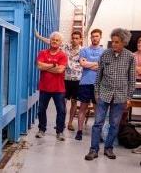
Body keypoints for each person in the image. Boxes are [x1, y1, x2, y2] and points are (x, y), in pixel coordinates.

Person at [85, 28, 135, 160]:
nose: (113, 44)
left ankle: (108, 148)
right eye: (112, 41)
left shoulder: (130, 56)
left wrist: (128, 97)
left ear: (124, 42)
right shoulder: (105, 54)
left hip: (120, 96)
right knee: (97, 123)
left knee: (114, 124)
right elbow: (98, 76)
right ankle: (93, 150)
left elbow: (132, 79)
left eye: (117, 42)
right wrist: (96, 92)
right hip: (104, 94)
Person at [35, 30, 83, 131]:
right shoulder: (65, 47)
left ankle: (69, 123)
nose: (74, 40)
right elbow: (51, 41)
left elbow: (60, 69)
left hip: (76, 78)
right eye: (73, 38)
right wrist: (39, 37)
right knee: (62, 106)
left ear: (80, 40)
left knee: (73, 102)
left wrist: (47, 67)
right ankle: (59, 126)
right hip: (65, 78)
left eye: (77, 38)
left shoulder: (83, 50)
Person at [35, 31, 68, 141]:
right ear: (50, 41)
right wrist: (54, 65)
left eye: (57, 40)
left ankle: (60, 132)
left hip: (59, 89)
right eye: (53, 39)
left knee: (61, 110)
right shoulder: (43, 52)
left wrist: (47, 66)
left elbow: (60, 70)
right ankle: (42, 129)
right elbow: (39, 66)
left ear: (60, 42)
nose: (54, 41)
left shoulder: (63, 55)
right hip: (44, 87)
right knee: (41, 110)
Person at [75, 29, 104, 141]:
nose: (94, 38)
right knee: (83, 108)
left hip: (99, 84)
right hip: (85, 83)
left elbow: (103, 67)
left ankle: (98, 133)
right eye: (92, 36)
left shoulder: (104, 52)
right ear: (90, 38)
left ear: (100, 37)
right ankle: (79, 131)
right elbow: (82, 63)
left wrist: (89, 64)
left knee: (98, 110)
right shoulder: (84, 50)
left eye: (96, 36)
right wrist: (96, 64)